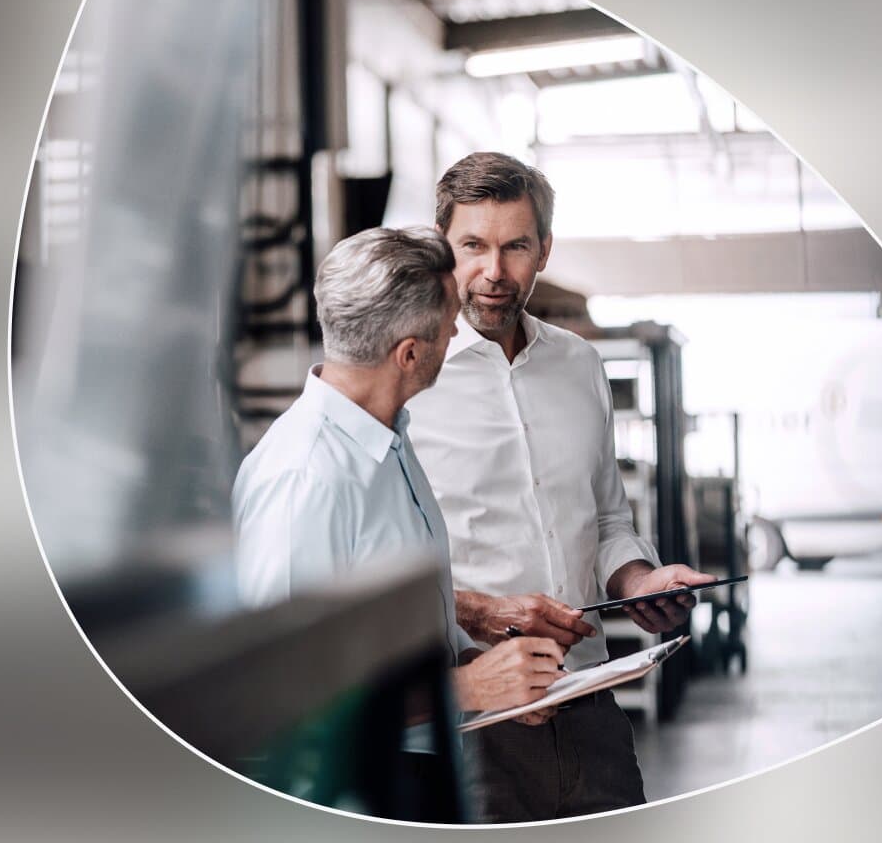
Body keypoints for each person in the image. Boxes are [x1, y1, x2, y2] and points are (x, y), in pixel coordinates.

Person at [406, 153, 715, 822]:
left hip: (590, 706)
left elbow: (606, 518)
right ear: (442, 249)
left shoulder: (580, 364)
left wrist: (638, 583)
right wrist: (483, 610)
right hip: (477, 723)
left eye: (515, 246)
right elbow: (380, 561)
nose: (493, 272)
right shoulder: (409, 378)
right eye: (472, 246)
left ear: (544, 249)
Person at [232, 226, 565, 815]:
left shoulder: (389, 440)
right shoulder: (305, 478)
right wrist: (467, 688)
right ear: (410, 354)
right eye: (446, 329)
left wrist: (489, 668)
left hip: (419, 770)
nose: (456, 334)